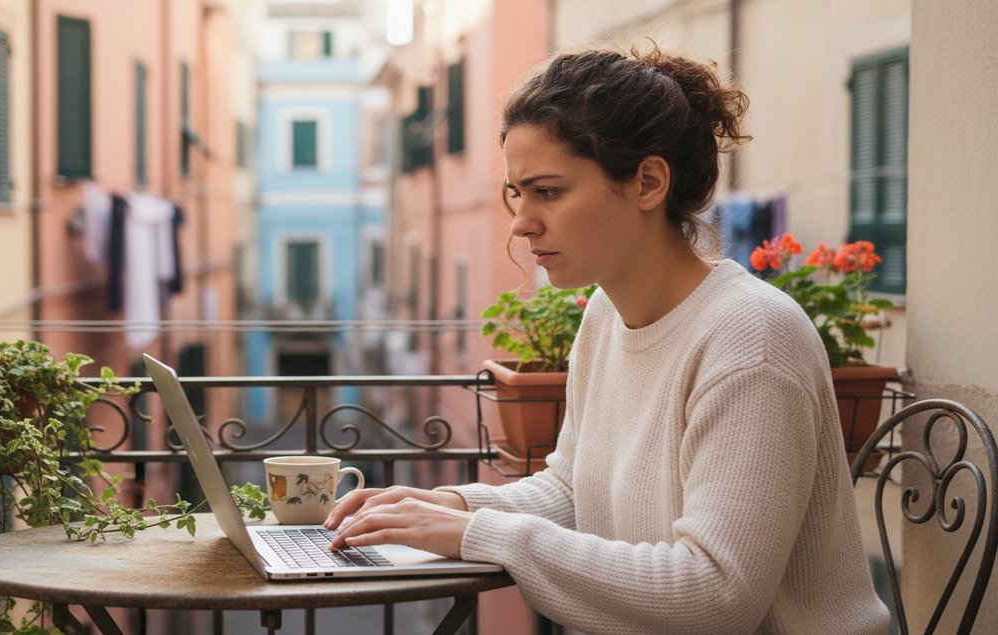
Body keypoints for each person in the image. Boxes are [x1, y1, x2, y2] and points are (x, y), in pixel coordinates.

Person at [326, 42, 891, 634]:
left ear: (648, 183)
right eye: (517, 194)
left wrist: (481, 533)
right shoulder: (604, 314)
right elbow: (575, 490)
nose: (521, 223)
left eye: (548, 191)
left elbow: (715, 594)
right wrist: (457, 506)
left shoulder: (751, 342)